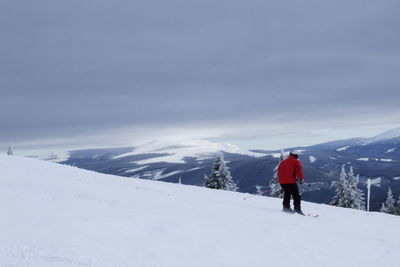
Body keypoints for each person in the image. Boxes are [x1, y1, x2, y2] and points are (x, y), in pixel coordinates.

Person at [277, 150, 304, 214]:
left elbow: (280, 171)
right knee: (296, 196)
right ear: (296, 155)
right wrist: (301, 179)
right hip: (290, 182)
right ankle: (297, 210)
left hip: (282, 182)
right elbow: (299, 171)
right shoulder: (296, 161)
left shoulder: (283, 162)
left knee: (287, 194)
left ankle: (286, 207)